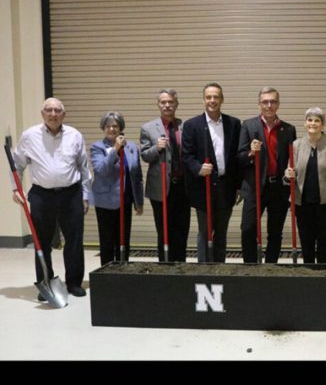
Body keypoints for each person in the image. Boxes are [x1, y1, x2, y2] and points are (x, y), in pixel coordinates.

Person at [10, 97, 91, 299]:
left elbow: (84, 167)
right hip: (41, 195)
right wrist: (15, 190)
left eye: (57, 110)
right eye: (49, 110)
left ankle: (73, 283)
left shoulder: (75, 135)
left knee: (73, 240)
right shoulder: (29, 136)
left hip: (71, 194)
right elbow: (17, 164)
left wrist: (86, 194)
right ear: (42, 114)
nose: (53, 114)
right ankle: (45, 281)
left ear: (63, 114)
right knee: (41, 242)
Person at [182, 83, 241, 263]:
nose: (212, 101)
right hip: (203, 187)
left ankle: (219, 269)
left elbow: (237, 157)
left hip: (226, 187)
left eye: (216, 97)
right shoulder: (192, 125)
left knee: (221, 232)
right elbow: (186, 155)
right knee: (205, 232)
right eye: (209, 97)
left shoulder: (234, 123)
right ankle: (204, 269)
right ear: (203, 100)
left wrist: (238, 186)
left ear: (222, 99)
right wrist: (198, 168)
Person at [238, 87, 296, 263]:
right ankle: (250, 266)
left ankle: (271, 266)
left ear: (278, 104)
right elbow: (239, 157)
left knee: (275, 231)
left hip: (278, 187)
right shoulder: (248, 125)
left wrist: (290, 171)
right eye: (265, 102)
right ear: (259, 104)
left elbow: (292, 157)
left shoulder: (288, 129)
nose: (269, 105)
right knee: (248, 229)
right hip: (254, 187)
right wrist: (250, 153)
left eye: (273, 101)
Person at [284, 107, 326, 263]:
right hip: (302, 204)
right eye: (310, 120)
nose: (313, 123)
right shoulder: (296, 145)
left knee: (324, 245)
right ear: (305, 123)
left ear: (323, 125)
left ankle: (325, 279)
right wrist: (287, 175)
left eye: (317, 120)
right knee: (306, 244)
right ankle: (309, 277)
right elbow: (290, 172)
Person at [140, 89, 191, 262]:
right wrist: (157, 147)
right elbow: (145, 155)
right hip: (160, 187)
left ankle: (180, 265)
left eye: (170, 102)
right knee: (164, 230)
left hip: (182, 187)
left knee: (182, 229)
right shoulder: (148, 128)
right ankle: (164, 266)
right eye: (163, 102)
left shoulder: (185, 126)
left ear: (176, 104)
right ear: (158, 105)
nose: (167, 105)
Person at [89, 112, 144, 265]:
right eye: (108, 126)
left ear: (121, 128)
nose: (112, 129)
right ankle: (107, 275)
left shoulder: (132, 147)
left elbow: (137, 176)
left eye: (115, 126)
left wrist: (138, 202)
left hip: (125, 200)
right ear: (103, 128)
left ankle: (123, 272)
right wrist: (115, 149)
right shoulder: (97, 147)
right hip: (106, 201)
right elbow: (101, 170)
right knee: (107, 242)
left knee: (124, 241)